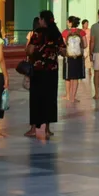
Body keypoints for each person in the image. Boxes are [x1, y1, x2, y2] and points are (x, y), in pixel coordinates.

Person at [25, 10, 66, 139]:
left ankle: (33, 128)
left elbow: (30, 50)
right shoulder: (56, 34)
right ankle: (47, 129)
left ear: (43, 20)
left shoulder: (37, 33)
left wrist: (30, 50)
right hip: (52, 70)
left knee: (36, 98)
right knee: (50, 98)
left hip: (38, 70)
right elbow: (64, 51)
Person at [62, 16, 86, 101]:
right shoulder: (81, 32)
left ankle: (68, 95)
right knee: (75, 77)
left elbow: (63, 45)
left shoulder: (65, 32)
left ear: (70, 23)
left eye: (67, 21)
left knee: (68, 77)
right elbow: (85, 44)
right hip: (78, 57)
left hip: (68, 57)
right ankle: (73, 97)